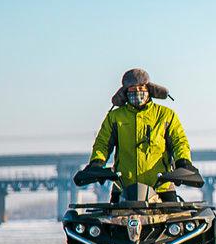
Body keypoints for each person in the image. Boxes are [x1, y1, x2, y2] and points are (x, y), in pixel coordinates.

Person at [83, 68, 197, 203]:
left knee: (175, 221)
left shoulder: (166, 115)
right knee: (110, 223)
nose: (137, 92)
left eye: (141, 87)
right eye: (132, 88)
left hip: (162, 187)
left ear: (149, 88)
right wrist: (97, 163)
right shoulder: (115, 117)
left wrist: (183, 162)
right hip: (124, 187)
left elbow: (179, 142)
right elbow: (102, 143)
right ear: (125, 92)